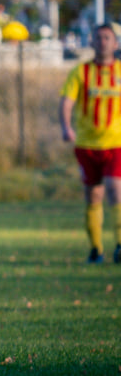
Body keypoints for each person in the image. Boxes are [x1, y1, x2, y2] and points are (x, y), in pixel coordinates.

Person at [59, 24, 121, 264]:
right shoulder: (80, 72)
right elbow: (66, 102)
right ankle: (96, 249)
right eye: (98, 38)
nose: (102, 42)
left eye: (107, 38)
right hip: (86, 144)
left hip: (116, 143)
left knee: (115, 191)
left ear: (115, 44)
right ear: (92, 42)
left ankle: (119, 245)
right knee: (93, 195)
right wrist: (66, 127)